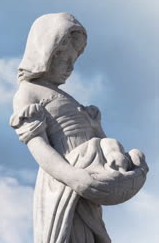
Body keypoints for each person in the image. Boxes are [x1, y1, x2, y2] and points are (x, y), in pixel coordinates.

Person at [10, 13, 147, 242]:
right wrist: (73, 177)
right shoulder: (28, 92)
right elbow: (38, 146)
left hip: (89, 179)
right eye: (66, 61)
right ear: (47, 54)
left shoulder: (72, 101)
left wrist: (120, 159)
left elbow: (101, 140)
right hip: (63, 181)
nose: (71, 68)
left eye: (74, 62)